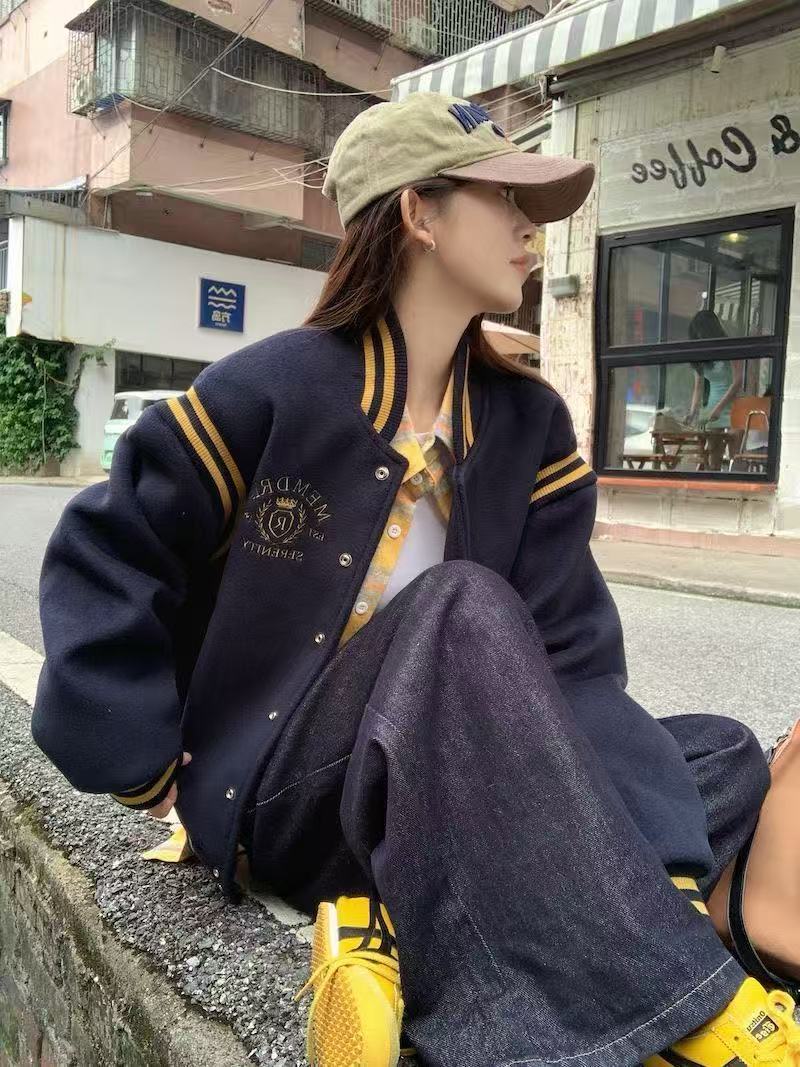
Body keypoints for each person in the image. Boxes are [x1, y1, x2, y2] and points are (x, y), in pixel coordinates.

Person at [30, 93, 800, 1067]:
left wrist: (664, 859)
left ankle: (381, 927)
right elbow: (107, 552)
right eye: (504, 201)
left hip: (451, 793)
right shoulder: (274, 388)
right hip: (295, 793)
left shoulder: (528, 426)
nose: (531, 230)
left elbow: (572, 665)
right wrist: (145, 763)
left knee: (715, 751)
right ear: (418, 214)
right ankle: (681, 998)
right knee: (462, 603)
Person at [687, 310, 745, 429]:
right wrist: (692, 413)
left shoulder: (730, 347)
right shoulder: (701, 355)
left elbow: (738, 381)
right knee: (710, 441)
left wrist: (719, 408)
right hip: (713, 407)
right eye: (697, 335)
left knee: (734, 440)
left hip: (734, 405)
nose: (700, 337)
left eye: (702, 333)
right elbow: (698, 388)